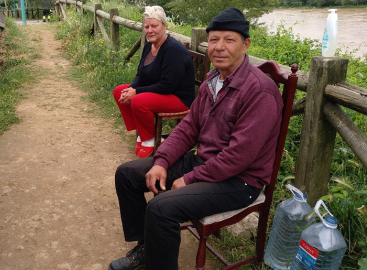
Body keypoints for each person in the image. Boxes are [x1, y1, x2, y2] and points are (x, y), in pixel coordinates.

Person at [109, 7, 284, 270]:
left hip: (240, 181)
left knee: (160, 208)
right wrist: (162, 160)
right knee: (127, 174)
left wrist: (190, 179)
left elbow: (239, 157)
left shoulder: (260, 91)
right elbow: (189, 127)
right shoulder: (214, 78)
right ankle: (146, 250)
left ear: (246, 44)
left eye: (229, 40)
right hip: (205, 163)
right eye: (214, 40)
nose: (220, 47)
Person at [113, 6, 195, 159]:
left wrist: (136, 92)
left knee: (138, 100)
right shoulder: (148, 47)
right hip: (160, 91)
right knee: (120, 91)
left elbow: (167, 85)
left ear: (164, 26)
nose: (150, 30)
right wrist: (131, 88)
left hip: (178, 97)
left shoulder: (173, 50)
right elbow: (140, 74)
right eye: (147, 27)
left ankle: (151, 140)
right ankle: (142, 134)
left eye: (154, 26)